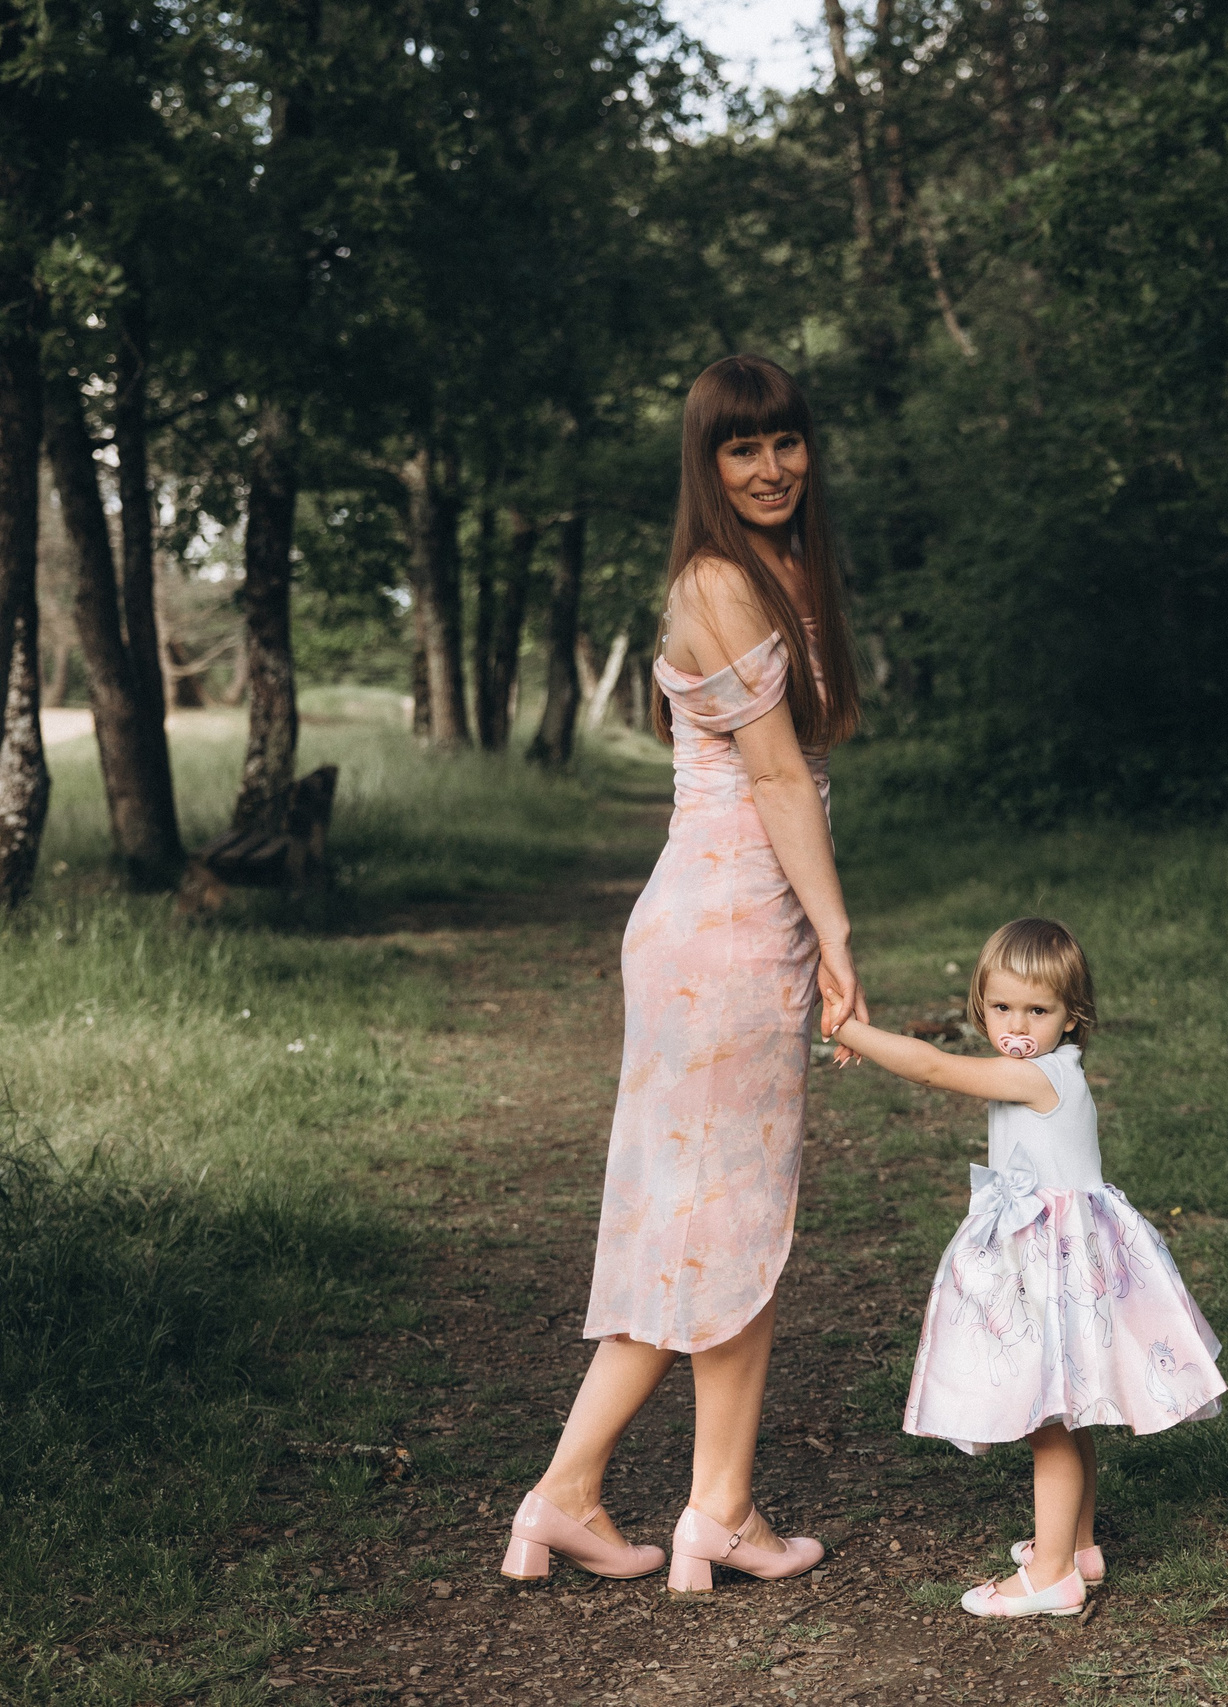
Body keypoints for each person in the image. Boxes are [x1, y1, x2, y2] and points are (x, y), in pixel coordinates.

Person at [500, 354, 867, 1595]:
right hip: (724, 932)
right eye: (740, 450)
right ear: (705, 468)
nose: (771, 469)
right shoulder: (718, 582)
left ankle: (670, 1504)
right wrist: (835, 930)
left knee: (715, 1227)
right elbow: (772, 779)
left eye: (786, 442)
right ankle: (619, 1498)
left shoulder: (779, 572)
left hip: (724, 924)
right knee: (721, 1224)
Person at [824, 918, 1225, 1619]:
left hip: (1052, 1264)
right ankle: (1078, 1543)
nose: (1018, 1024)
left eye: (1038, 1011)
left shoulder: (1037, 1073)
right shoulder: (1051, 1068)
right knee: (1071, 1411)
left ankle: (1052, 1575)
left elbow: (932, 1066)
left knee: (1049, 1416)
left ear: (1072, 1016)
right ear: (981, 1006)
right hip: (1060, 1256)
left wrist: (849, 1030)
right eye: (1002, 1007)